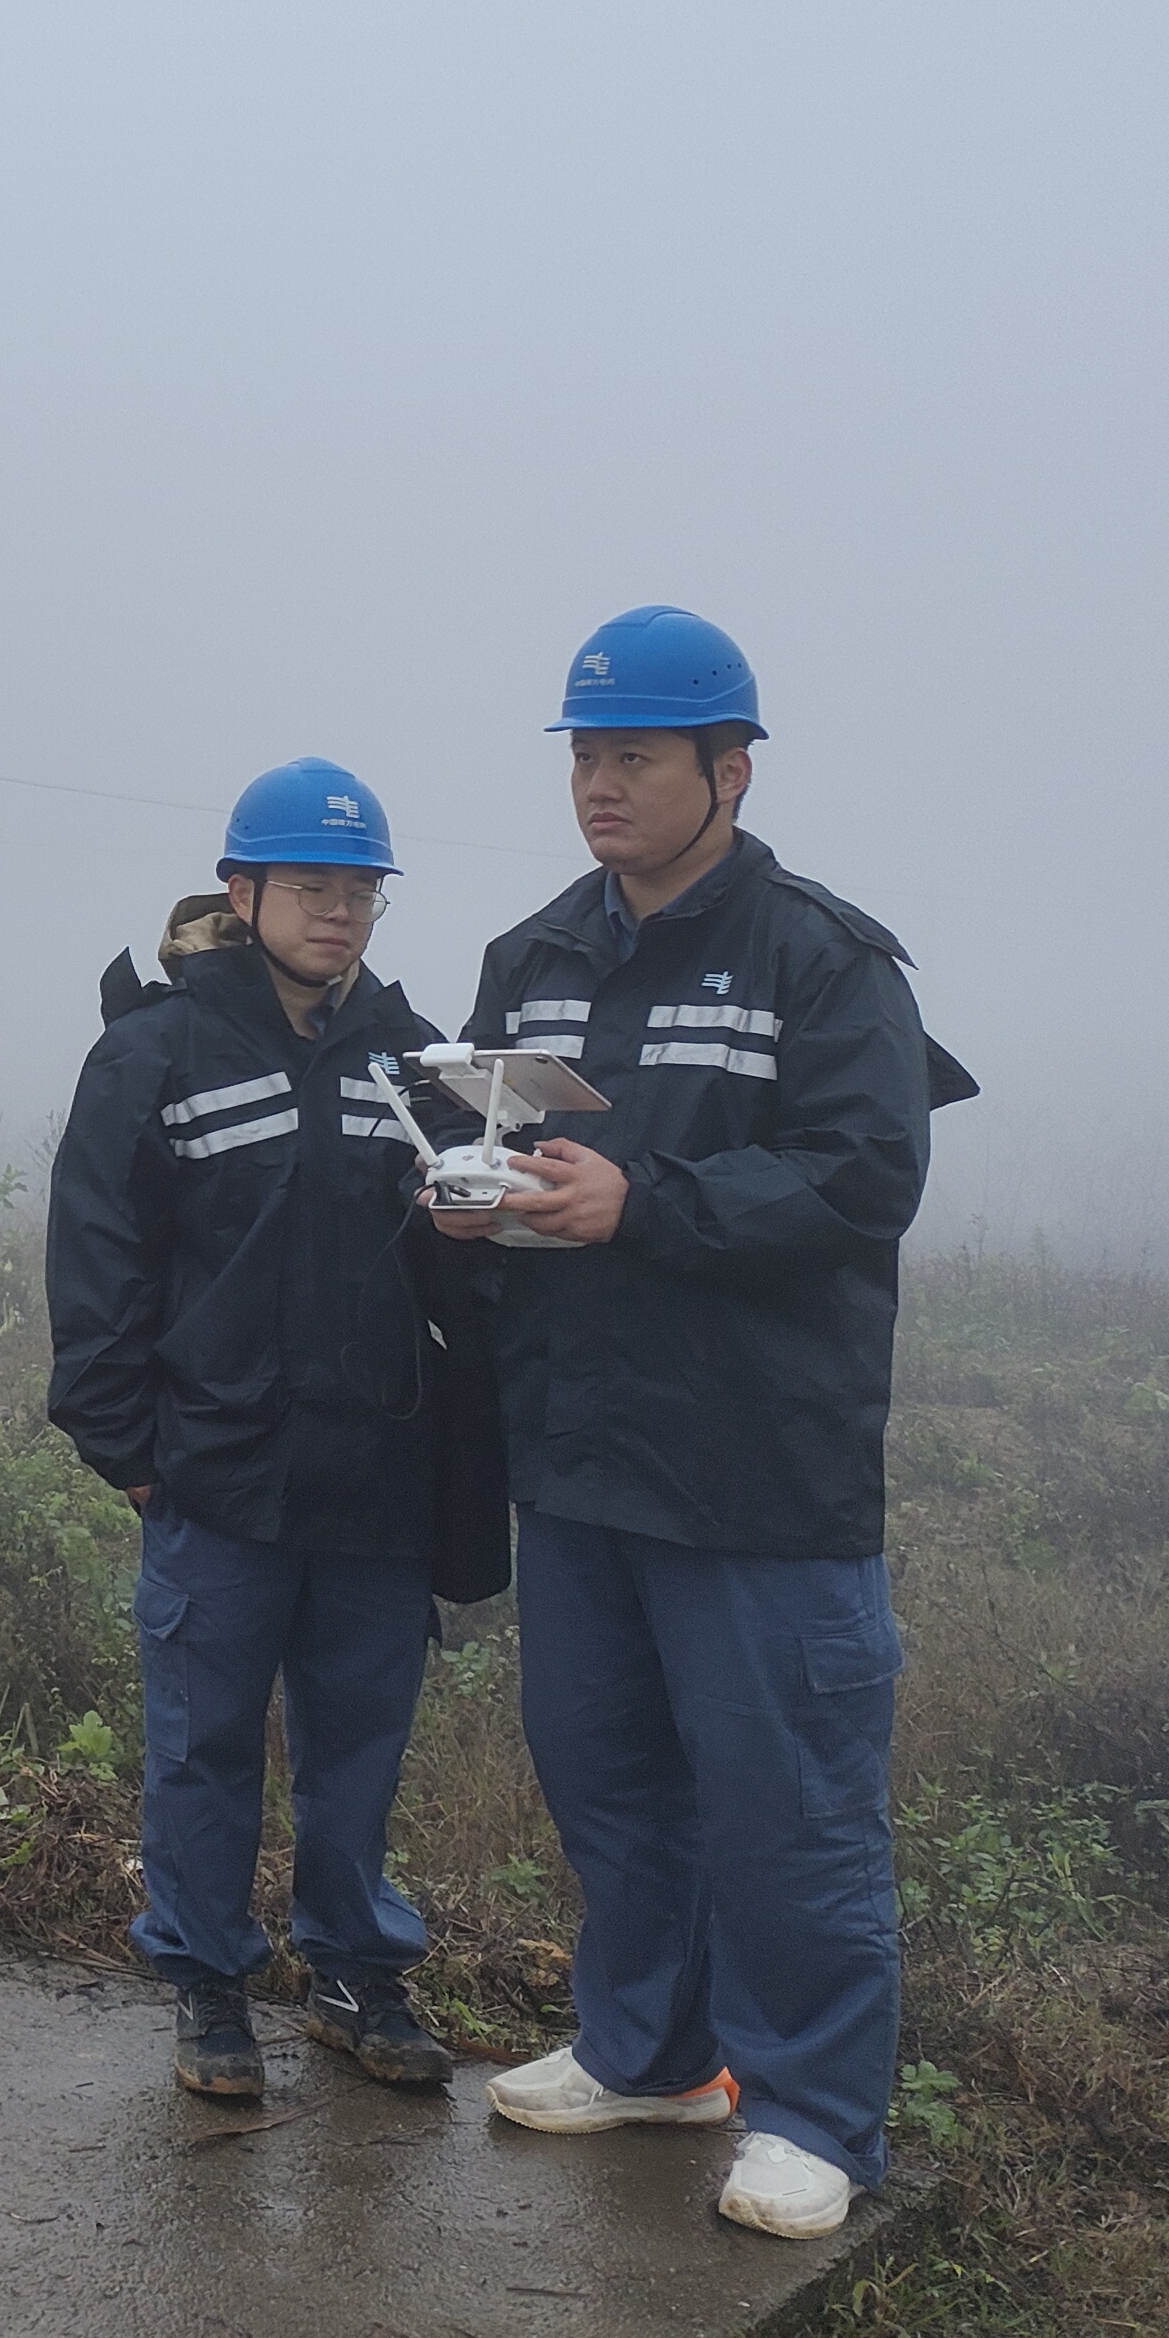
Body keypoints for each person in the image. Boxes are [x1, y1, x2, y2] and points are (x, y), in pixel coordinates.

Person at [435, 606, 974, 2241]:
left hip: (757, 1469)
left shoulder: (823, 958)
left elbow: (864, 1174)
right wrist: (472, 1197)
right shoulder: (535, 955)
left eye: (637, 759)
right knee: (608, 1780)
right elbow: (503, 1131)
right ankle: (650, 2058)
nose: (601, 787)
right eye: (586, 758)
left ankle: (814, 2112)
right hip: (584, 1456)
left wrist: (643, 1204)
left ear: (728, 771)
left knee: (787, 1799)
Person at [50, 758, 507, 2104]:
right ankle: (208, 1990)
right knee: (203, 1747)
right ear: (242, 891)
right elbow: (96, 1264)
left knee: (358, 1750)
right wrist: (129, 1452)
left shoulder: (414, 1058)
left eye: (361, 890)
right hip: (215, 1481)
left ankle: (360, 1977)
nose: (342, 913)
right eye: (314, 887)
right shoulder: (153, 1052)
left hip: (376, 1481)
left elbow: (465, 1259)